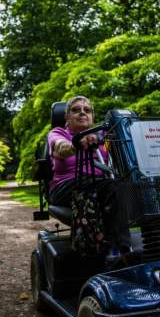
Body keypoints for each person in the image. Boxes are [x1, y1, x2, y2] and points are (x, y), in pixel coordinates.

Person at [47, 96, 131, 255]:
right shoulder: (58, 133)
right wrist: (76, 144)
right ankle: (119, 251)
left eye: (87, 110)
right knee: (111, 187)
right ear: (67, 117)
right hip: (66, 185)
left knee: (131, 185)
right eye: (75, 110)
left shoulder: (103, 136)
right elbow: (60, 148)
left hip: (101, 184)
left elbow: (122, 149)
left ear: (92, 117)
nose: (82, 113)